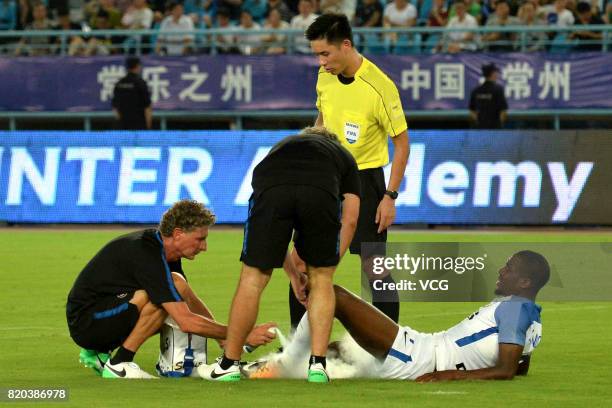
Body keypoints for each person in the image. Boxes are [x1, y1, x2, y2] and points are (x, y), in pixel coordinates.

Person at [201, 127, 361, 383]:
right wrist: (328, 265)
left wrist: (293, 274)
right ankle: (318, 366)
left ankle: (228, 365)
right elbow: (350, 220)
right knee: (322, 280)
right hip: (319, 191)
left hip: (272, 187)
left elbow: (278, 234)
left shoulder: (281, 147)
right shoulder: (343, 155)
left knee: (252, 278)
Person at [252, 250, 550, 382]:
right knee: (340, 349)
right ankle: (263, 366)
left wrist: (453, 374)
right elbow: (521, 363)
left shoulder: (514, 308)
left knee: (333, 293)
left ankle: (287, 362)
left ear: (525, 282)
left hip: (420, 357)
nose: (502, 271)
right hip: (421, 351)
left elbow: (507, 369)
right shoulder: (530, 316)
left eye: (509, 268)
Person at [66, 199, 276, 379]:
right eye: (200, 239)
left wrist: (227, 342)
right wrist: (241, 334)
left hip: (105, 312)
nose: (204, 247)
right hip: (87, 323)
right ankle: (120, 364)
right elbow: (185, 321)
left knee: (176, 289)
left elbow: (188, 301)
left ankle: (100, 353)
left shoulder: (167, 254)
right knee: (161, 300)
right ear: (177, 234)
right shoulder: (147, 254)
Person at [290, 13, 409, 329]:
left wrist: (389, 197)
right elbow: (322, 119)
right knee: (302, 261)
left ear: (345, 45)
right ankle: (297, 346)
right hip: (325, 180)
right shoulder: (324, 76)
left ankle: (389, 347)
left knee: (375, 266)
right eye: (317, 54)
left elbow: (402, 144)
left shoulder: (380, 87)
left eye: (325, 53)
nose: (321, 61)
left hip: (366, 180)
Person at [111, 56, 152, 130]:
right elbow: (147, 107)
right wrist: (148, 126)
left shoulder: (119, 83)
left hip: (123, 126)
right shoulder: (141, 83)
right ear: (138, 66)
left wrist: (120, 122)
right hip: (139, 125)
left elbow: (115, 108)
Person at [469, 63, 508, 129]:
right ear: (493, 74)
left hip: (480, 128)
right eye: (496, 72)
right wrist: (499, 125)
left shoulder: (476, 90)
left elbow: (472, 111)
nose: (497, 75)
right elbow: (503, 111)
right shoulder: (498, 90)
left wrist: (479, 123)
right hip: (495, 128)